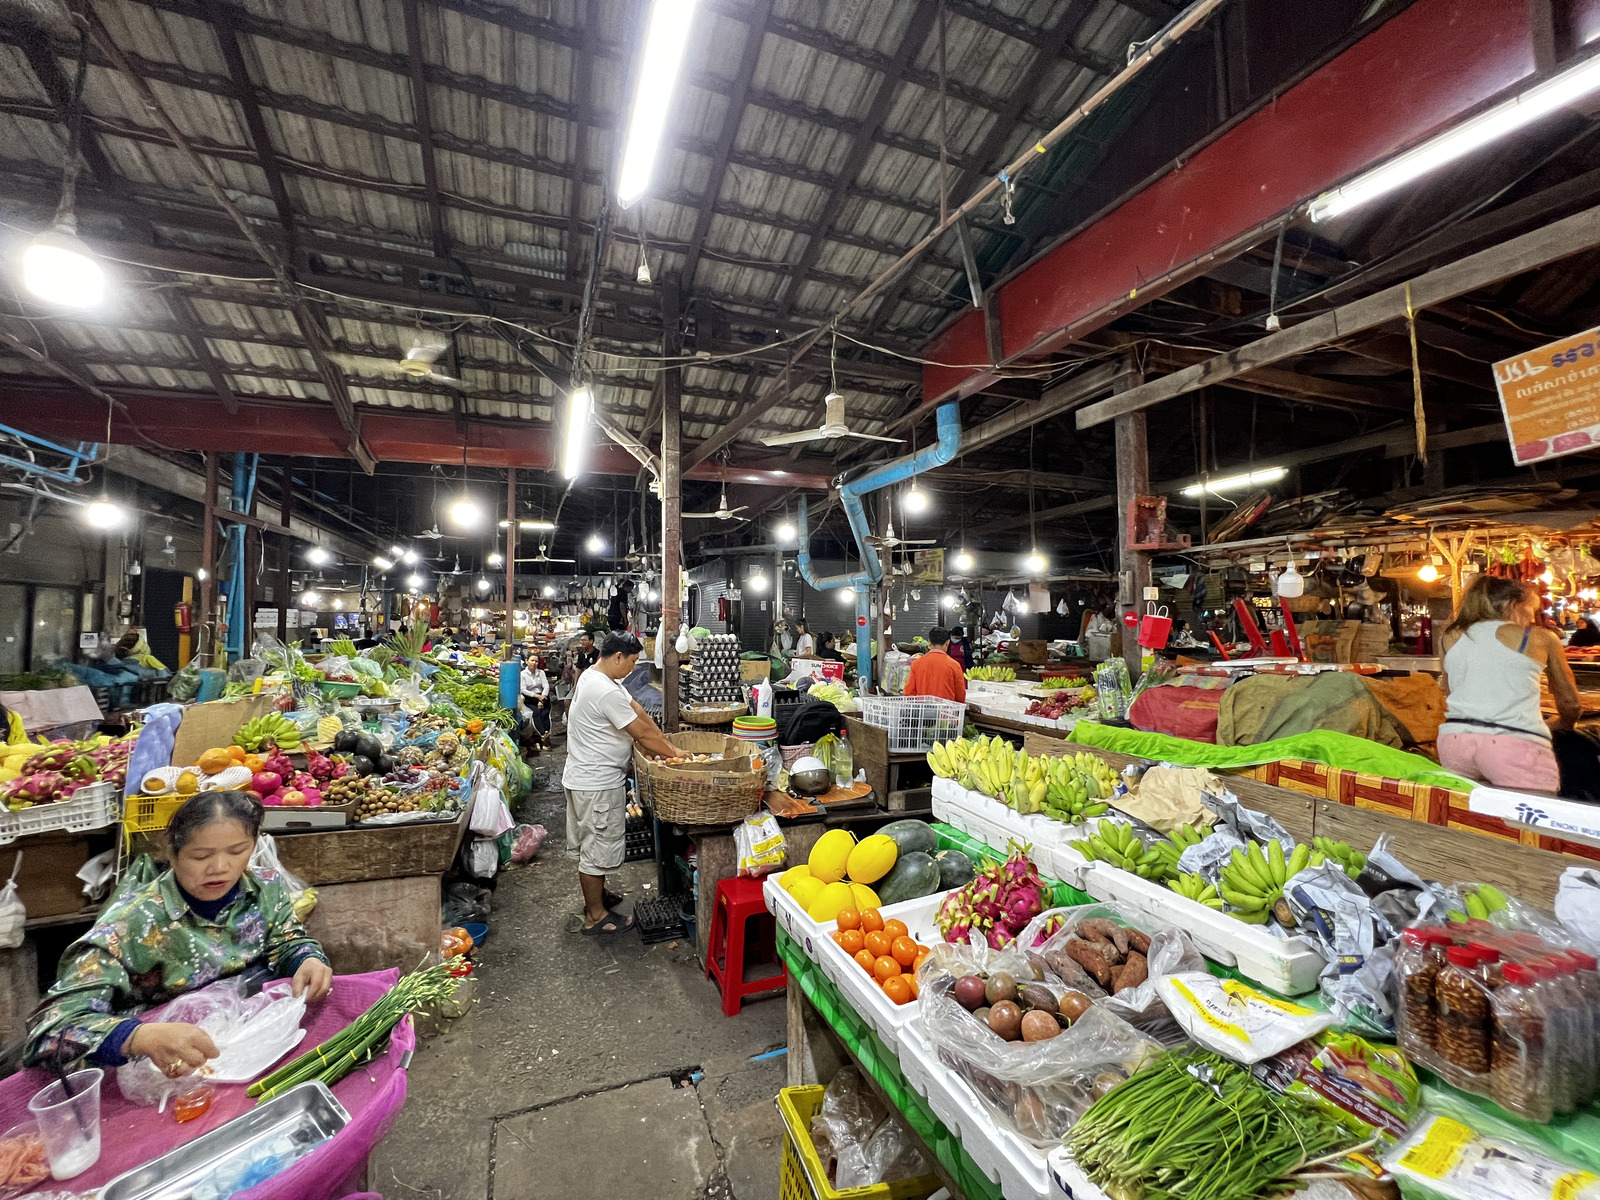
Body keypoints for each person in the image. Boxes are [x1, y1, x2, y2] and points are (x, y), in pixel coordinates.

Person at [25, 791, 331, 1072]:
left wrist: (306, 958)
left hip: (245, 1036)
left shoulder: (265, 886)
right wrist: (136, 1037)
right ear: (172, 853)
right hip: (165, 1061)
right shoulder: (131, 923)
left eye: (237, 851)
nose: (220, 867)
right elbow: (50, 1029)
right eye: (201, 856)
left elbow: (287, 940)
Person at [562, 632, 678, 935]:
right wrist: (677, 754)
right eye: (633, 661)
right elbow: (640, 732)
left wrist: (663, 742)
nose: (633, 668)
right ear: (617, 657)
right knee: (595, 849)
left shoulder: (597, 677)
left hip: (585, 777)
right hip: (596, 783)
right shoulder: (605, 691)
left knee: (596, 845)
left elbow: (639, 713)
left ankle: (597, 897)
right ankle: (596, 916)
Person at [1438, 576, 1581, 793]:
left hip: (1456, 742)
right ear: (1513, 605)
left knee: (1468, 821)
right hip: (1513, 743)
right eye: (1531, 611)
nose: (1531, 619)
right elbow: (1570, 704)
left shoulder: (1449, 637)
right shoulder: (1540, 638)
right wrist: (1564, 724)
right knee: (1530, 822)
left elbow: (1450, 693)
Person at [904, 627, 967, 702]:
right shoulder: (954, 665)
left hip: (923, 711)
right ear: (947, 642)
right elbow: (960, 695)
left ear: (929, 642)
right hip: (947, 711)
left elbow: (909, 692)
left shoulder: (916, 664)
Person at [521, 653, 552, 748]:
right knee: (536, 713)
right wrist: (537, 697)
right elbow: (523, 690)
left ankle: (546, 735)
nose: (534, 663)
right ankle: (543, 736)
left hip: (543, 696)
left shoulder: (541, 673)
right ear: (527, 661)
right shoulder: (522, 674)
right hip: (530, 698)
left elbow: (546, 685)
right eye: (532, 660)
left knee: (545, 714)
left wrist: (542, 698)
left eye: (536, 661)